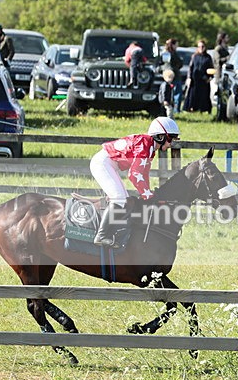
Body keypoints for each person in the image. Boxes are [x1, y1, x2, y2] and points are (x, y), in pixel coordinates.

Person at [89, 117, 180, 247]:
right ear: (160, 136)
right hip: (102, 163)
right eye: (170, 138)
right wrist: (147, 195)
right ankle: (101, 236)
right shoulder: (145, 145)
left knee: (124, 200)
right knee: (119, 199)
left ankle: (114, 232)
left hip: (109, 164)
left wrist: (147, 193)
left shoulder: (149, 147)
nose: (171, 143)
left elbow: (144, 174)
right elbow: (134, 174)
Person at [183, 39, 214, 113]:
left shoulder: (208, 57)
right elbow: (191, 67)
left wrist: (210, 77)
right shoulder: (195, 56)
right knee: (192, 95)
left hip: (204, 79)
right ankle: (191, 108)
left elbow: (211, 68)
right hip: (195, 79)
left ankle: (203, 110)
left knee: (204, 96)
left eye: (202, 46)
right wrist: (189, 78)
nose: (201, 48)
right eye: (199, 47)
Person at [160, 38, 184, 111]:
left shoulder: (173, 53)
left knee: (175, 94)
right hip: (171, 76)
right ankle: (174, 110)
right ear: (173, 45)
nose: (177, 46)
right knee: (174, 94)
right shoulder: (167, 53)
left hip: (174, 75)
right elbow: (166, 64)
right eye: (176, 44)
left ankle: (175, 109)